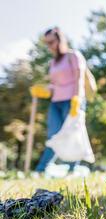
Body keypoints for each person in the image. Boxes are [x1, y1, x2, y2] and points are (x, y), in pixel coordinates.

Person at [30, 27, 86, 173]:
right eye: (47, 43)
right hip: (56, 102)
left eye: (51, 42)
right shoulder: (53, 62)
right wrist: (43, 90)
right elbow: (54, 85)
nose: (49, 46)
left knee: (72, 133)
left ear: (60, 39)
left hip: (72, 100)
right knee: (53, 135)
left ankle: (72, 170)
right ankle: (42, 169)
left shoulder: (73, 55)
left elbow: (78, 78)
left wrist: (77, 98)